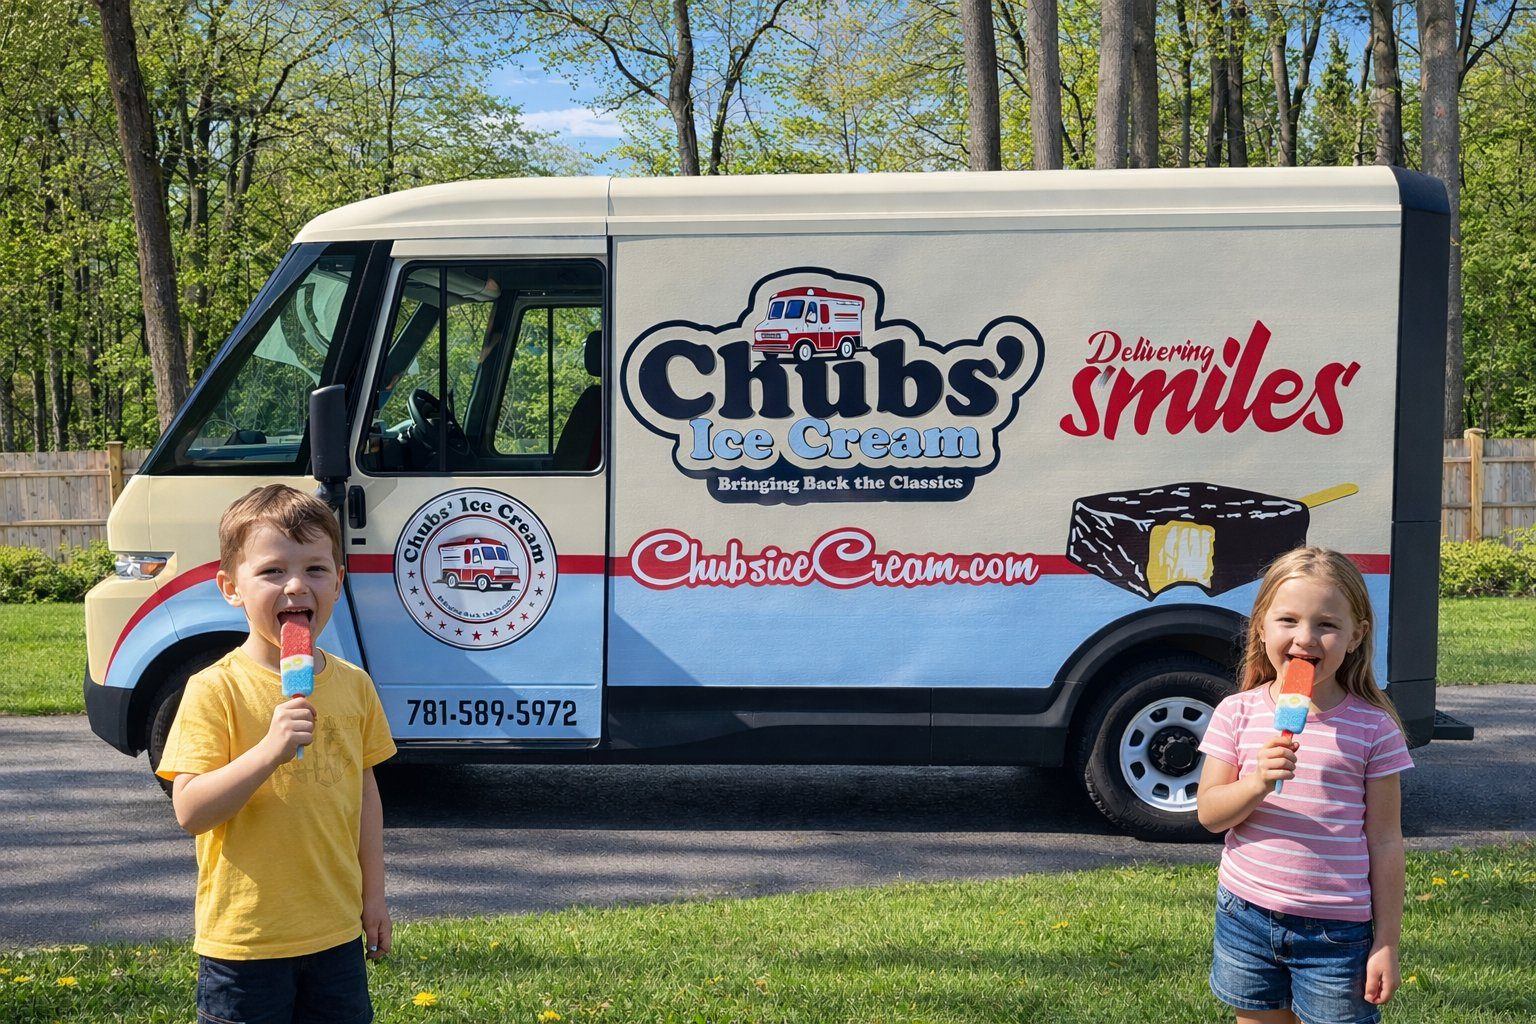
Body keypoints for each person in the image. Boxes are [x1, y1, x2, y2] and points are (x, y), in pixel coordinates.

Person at [157, 483, 397, 1024]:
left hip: (335, 933)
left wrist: (374, 897)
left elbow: (366, 797)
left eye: (315, 569)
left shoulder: (355, 685)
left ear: (339, 580)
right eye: (271, 572)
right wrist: (269, 748)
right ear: (230, 587)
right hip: (245, 943)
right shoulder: (213, 689)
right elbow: (190, 810)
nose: (295, 585)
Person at [1196, 546, 1413, 1024]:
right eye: (1288, 620)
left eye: (1327, 625)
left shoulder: (1373, 729)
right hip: (1245, 914)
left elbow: (1385, 839)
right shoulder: (1237, 713)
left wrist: (1387, 942)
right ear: (1260, 626)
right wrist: (1256, 781)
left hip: (1337, 933)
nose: (1305, 639)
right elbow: (1210, 814)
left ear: (1357, 636)